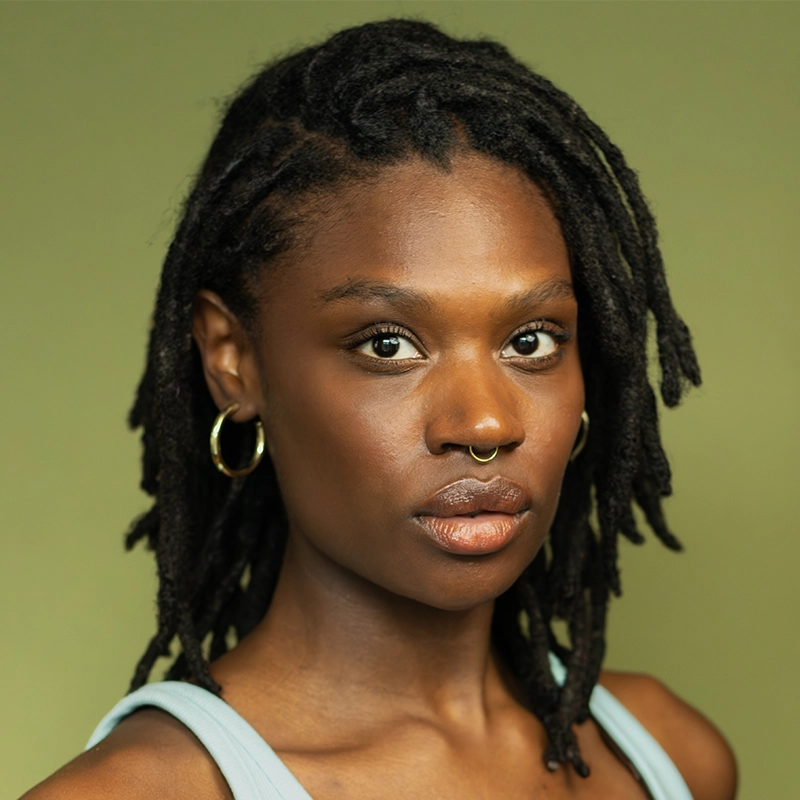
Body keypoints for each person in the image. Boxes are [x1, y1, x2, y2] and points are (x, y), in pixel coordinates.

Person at [22, 19, 737, 800]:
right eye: (389, 346)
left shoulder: (669, 757)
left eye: (531, 341)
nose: (487, 424)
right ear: (234, 361)